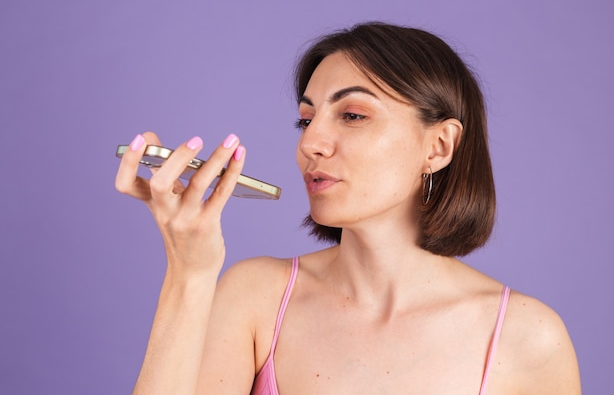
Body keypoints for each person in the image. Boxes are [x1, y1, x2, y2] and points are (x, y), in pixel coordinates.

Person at [115, 22, 581, 395]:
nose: (310, 143)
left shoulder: (528, 338)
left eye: (353, 115)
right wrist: (189, 272)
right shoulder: (255, 297)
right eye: (305, 119)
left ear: (439, 145)